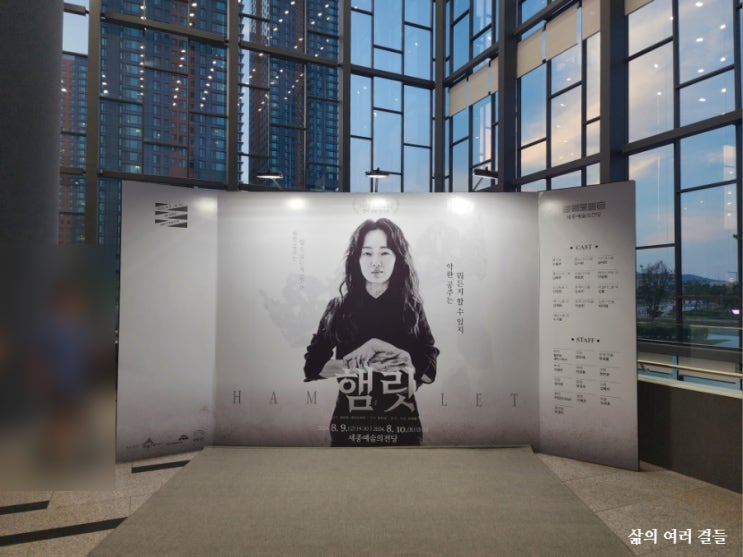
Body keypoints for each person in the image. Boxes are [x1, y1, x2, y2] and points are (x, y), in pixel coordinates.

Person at [304, 218, 439, 446]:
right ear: (357, 259)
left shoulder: (411, 308)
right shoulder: (338, 307)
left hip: (402, 422)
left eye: (384, 253)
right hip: (350, 421)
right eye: (367, 253)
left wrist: (398, 355)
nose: (376, 262)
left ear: (398, 258)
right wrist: (358, 363)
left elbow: (430, 370)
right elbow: (312, 367)